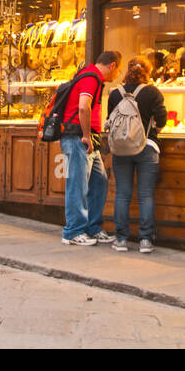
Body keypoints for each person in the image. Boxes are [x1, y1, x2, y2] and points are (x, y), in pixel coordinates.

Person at [60, 49, 122, 246]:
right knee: (77, 184)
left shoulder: (89, 75)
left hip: (87, 138)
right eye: (118, 70)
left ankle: (92, 227)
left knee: (99, 181)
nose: (117, 75)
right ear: (112, 65)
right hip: (78, 137)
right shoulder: (92, 78)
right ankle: (72, 232)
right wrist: (86, 135)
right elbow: (83, 107)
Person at [107, 57, 167, 253]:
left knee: (123, 194)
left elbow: (110, 120)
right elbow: (162, 119)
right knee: (145, 195)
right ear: (147, 72)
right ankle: (145, 241)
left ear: (128, 71)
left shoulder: (116, 93)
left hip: (122, 148)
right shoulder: (152, 92)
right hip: (147, 147)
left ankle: (121, 239)